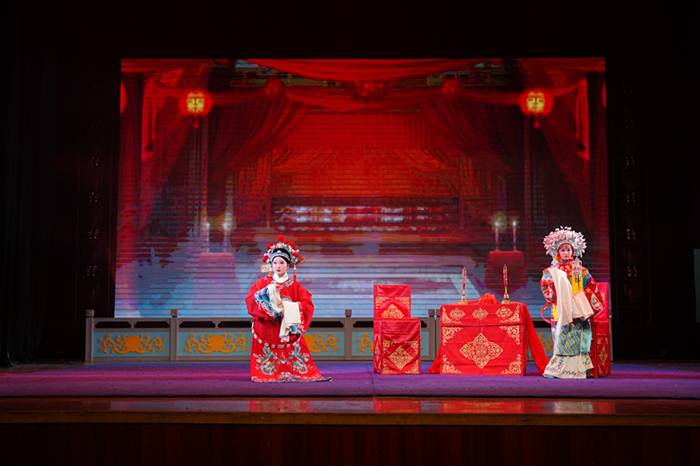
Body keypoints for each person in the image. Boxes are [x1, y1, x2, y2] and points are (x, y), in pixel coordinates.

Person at [244, 235, 331, 383]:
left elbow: (307, 305)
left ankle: (293, 371)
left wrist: (288, 308)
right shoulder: (262, 283)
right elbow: (250, 300)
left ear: (288, 265)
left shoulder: (295, 286)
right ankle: (269, 372)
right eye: (275, 262)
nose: (277, 266)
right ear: (270, 264)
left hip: (287, 326)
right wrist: (266, 296)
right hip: (267, 326)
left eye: (281, 262)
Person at [541, 227, 604, 379]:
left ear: (574, 251)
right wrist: (553, 292)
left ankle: (578, 369)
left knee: (577, 340)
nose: (566, 253)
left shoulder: (581, 271)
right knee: (561, 339)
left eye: (569, 249)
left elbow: (592, 287)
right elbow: (546, 288)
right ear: (556, 252)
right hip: (560, 310)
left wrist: (584, 296)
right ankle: (558, 369)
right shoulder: (551, 271)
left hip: (577, 311)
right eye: (562, 250)